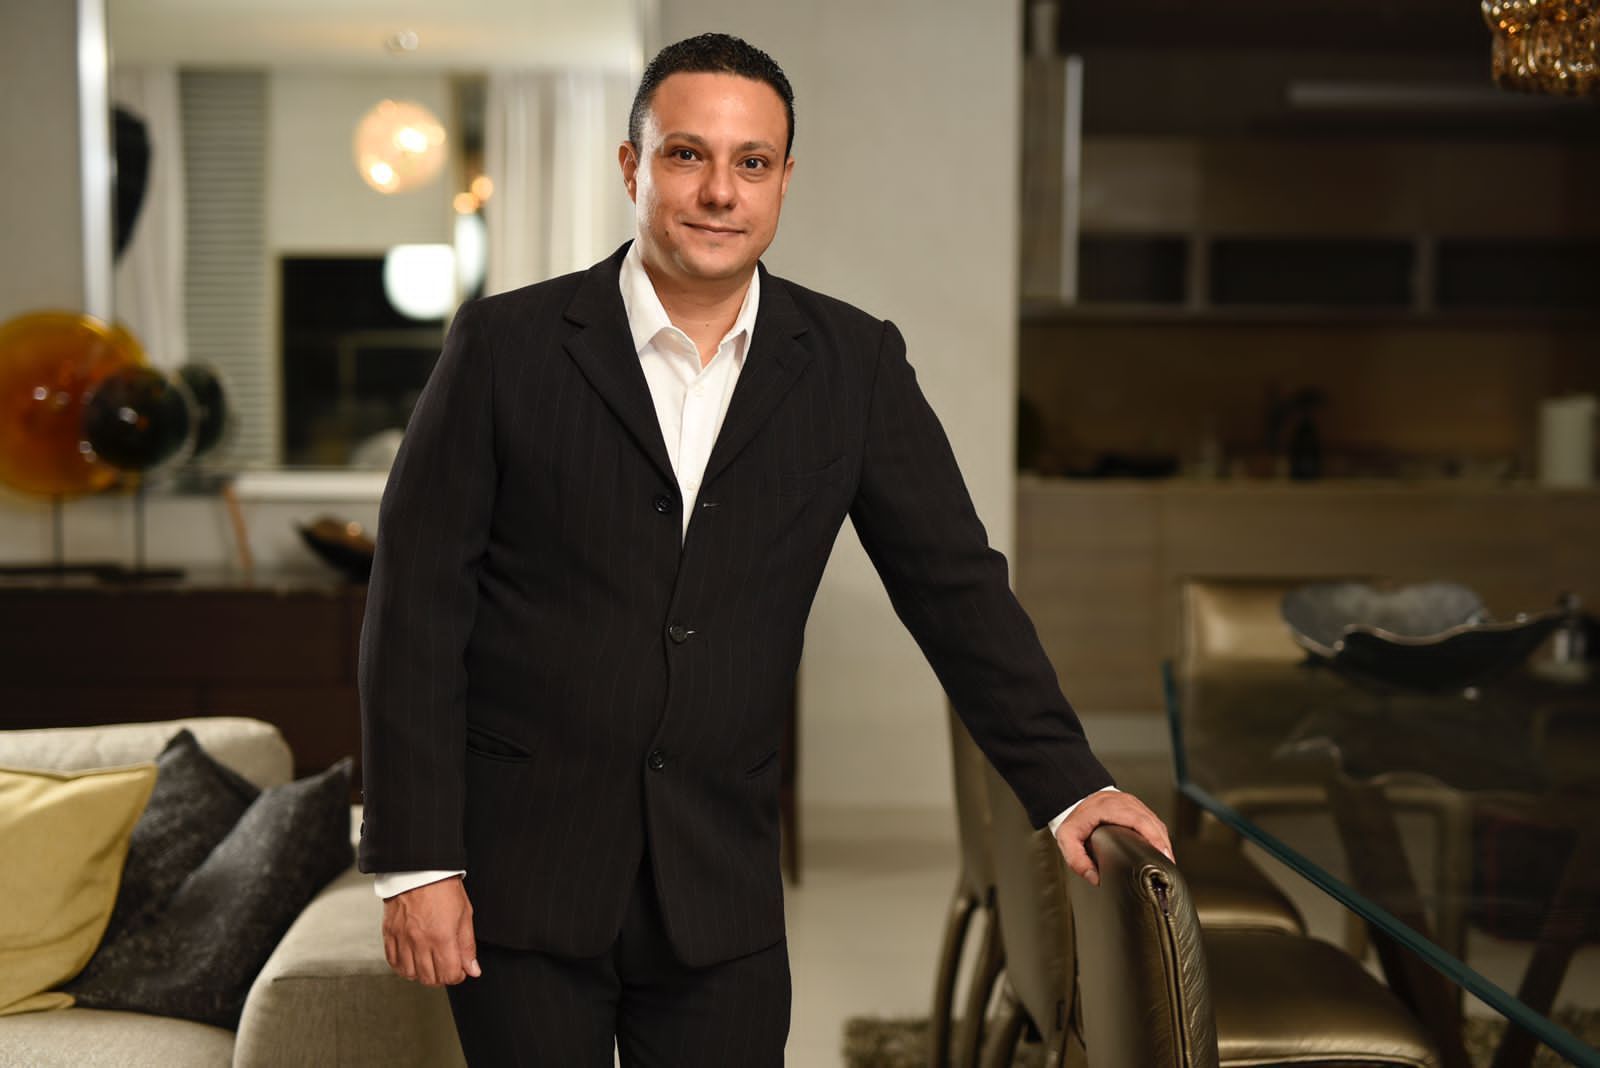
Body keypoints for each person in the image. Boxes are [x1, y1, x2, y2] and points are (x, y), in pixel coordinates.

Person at [358, 32, 1172, 1067]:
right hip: (522, 871)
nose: (718, 192)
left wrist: (1067, 780)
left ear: (784, 179)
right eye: (686, 155)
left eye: (751, 163)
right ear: (631, 166)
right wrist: (416, 861)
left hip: (720, 882)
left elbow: (954, 588)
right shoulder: (501, 348)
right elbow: (416, 612)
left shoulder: (852, 365)